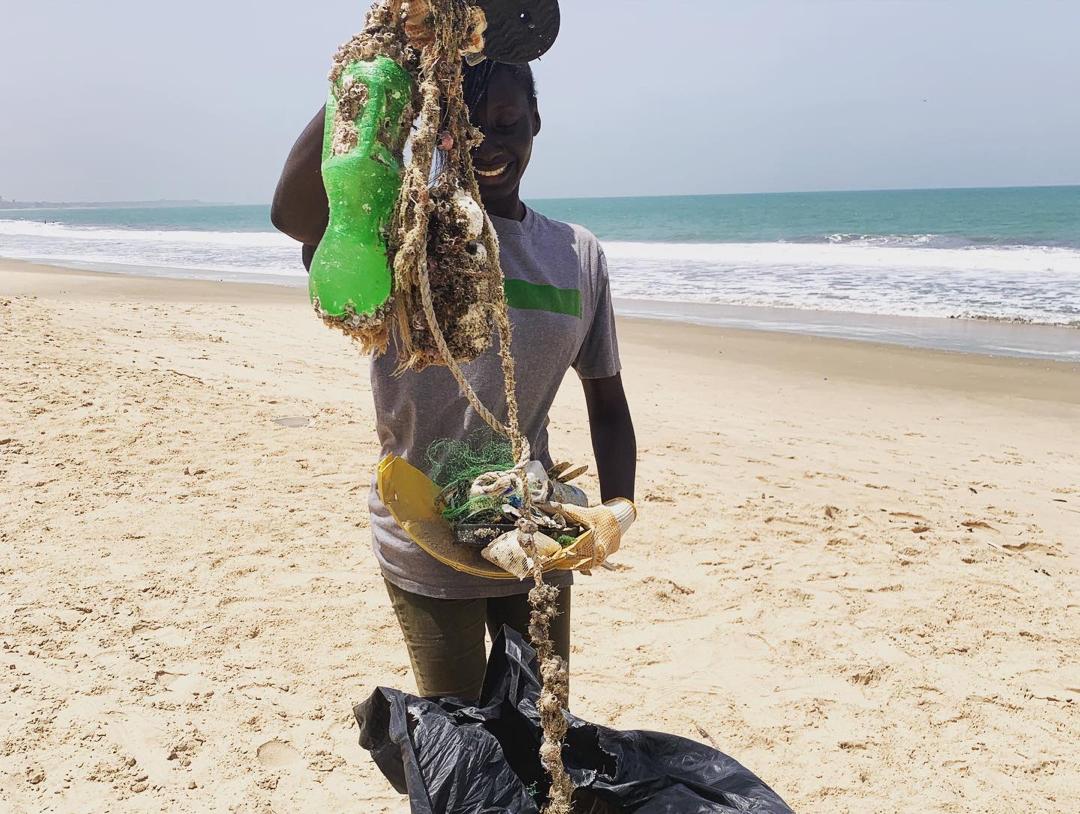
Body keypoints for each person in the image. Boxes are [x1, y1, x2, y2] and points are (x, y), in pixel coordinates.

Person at [271, 59, 636, 702]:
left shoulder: (576, 255)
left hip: (534, 533)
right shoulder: (399, 239)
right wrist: (377, 76)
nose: (487, 145)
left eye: (506, 123)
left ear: (535, 123)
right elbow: (294, 217)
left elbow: (605, 397)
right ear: (433, 128)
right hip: (422, 534)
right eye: (463, 126)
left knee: (541, 727)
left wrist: (619, 507)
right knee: (458, 745)